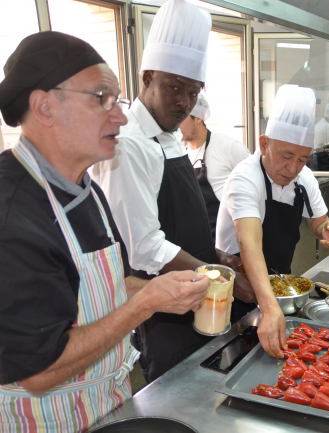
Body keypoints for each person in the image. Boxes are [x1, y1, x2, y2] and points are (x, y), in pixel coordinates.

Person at [0, 31, 210, 432]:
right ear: (44, 106)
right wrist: (146, 303)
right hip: (45, 421)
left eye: (117, 101)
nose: (120, 116)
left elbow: (105, 285)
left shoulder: (86, 190)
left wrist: (168, 290)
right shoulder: (12, 215)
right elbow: (39, 370)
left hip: (102, 406)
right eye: (101, 100)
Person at [91, 0, 254, 384]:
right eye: (173, 87)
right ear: (147, 77)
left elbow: (176, 221)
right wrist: (217, 273)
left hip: (194, 292)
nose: (183, 102)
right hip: (162, 307)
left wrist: (220, 258)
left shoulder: (168, 137)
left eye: (193, 93)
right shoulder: (129, 144)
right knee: (174, 400)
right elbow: (145, 246)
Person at [216, 84, 329, 358]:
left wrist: (328, 229)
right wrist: (269, 306)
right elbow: (249, 242)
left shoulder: (303, 178)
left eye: (302, 159)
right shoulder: (245, 179)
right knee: (235, 361)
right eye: (287, 156)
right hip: (238, 292)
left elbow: (318, 222)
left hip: (278, 289)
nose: (293, 168)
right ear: (264, 144)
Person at [179, 93, 251, 241]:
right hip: (198, 244)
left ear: (197, 118)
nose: (175, 123)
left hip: (228, 245)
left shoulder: (229, 147)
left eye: (181, 117)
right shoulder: (181, 154)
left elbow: (256, 187)